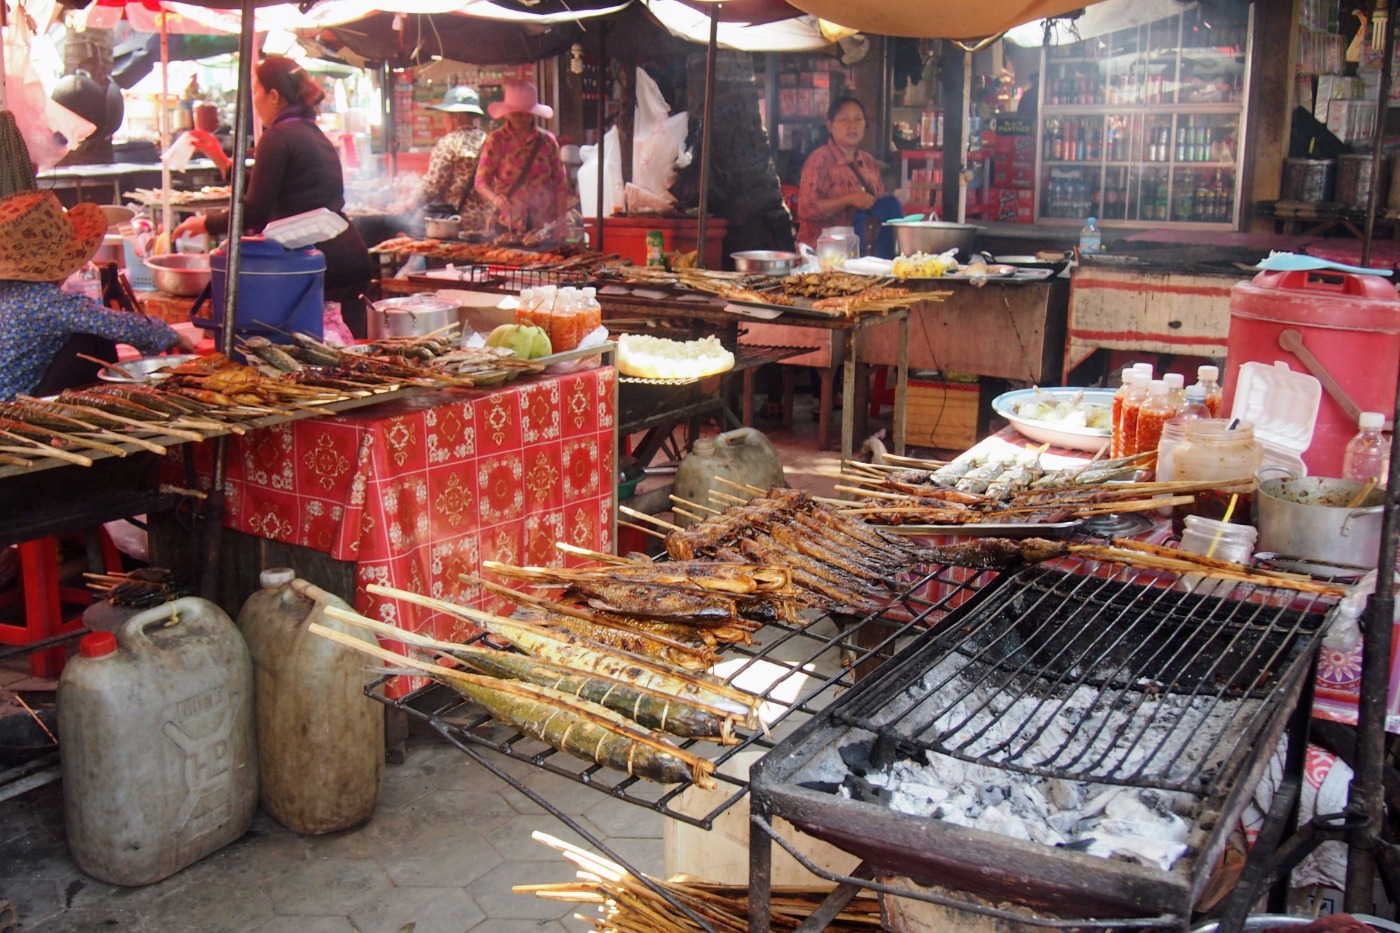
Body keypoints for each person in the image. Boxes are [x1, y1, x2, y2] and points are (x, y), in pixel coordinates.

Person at [173, 56, 375, 337]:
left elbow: (255, 209)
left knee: (323, 354)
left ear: (274, 95)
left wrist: (206, 223)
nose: (254, 99)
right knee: (347, 354)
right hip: (347, 257)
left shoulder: (278, 136)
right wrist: (221, 160)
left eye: (256, 90)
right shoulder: (310, 133)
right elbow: (272, 185)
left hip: (319, 263)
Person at [0, 189, 194, 400]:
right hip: (12, 412)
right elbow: (117, 325)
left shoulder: (13, 293)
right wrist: (173, 335)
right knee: (93, 340)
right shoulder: (43, 301)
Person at [474, 79, 572, 238]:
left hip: (543, 226)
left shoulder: (547, 141)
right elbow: (480, 181)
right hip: (507, 224)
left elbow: (561, 183)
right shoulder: (496, 140)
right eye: (515, 111)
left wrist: (561, 220)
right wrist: (495, 198)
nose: (519, 116)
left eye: (524, 112)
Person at [387, 86, 489, 222]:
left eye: (446, 115)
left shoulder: (449, 143)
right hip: (484, 219)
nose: (444, 120)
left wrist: (407, 206)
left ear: (456, 117)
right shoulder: (487, 140)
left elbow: (433, 184)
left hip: (454, 219)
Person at [796, 95, 884, 249]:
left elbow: (879, 205)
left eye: (858, 119)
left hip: (861, 255)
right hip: (823, 256)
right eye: (844, 120)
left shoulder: (869, 162)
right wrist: (848, 199)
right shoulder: (820, 159)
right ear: (830, 126)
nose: (852, 126)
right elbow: (806, 209)